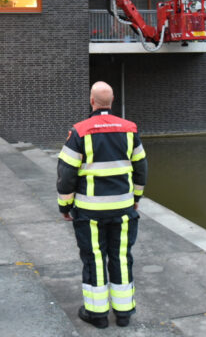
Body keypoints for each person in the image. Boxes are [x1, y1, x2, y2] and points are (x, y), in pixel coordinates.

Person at [56, 81, 148, 329]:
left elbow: (66, 174)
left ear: (92, 101)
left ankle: (97, 315)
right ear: (112, 100)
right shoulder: (130, 130)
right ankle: (124, 313)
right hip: (123, 209)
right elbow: (141, 168)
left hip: (90, 211)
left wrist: (64, 206)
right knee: (121, 256)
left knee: (94, 258)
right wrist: (136, 198)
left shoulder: (79, 132)